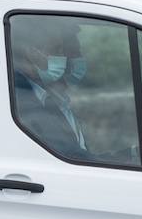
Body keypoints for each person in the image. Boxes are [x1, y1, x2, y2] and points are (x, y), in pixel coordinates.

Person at [11, 17, 89, 159]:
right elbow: (71, 156)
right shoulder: (19, 102)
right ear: (32, 53)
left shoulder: (51, 98)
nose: (65, 59)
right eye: (58, 50)